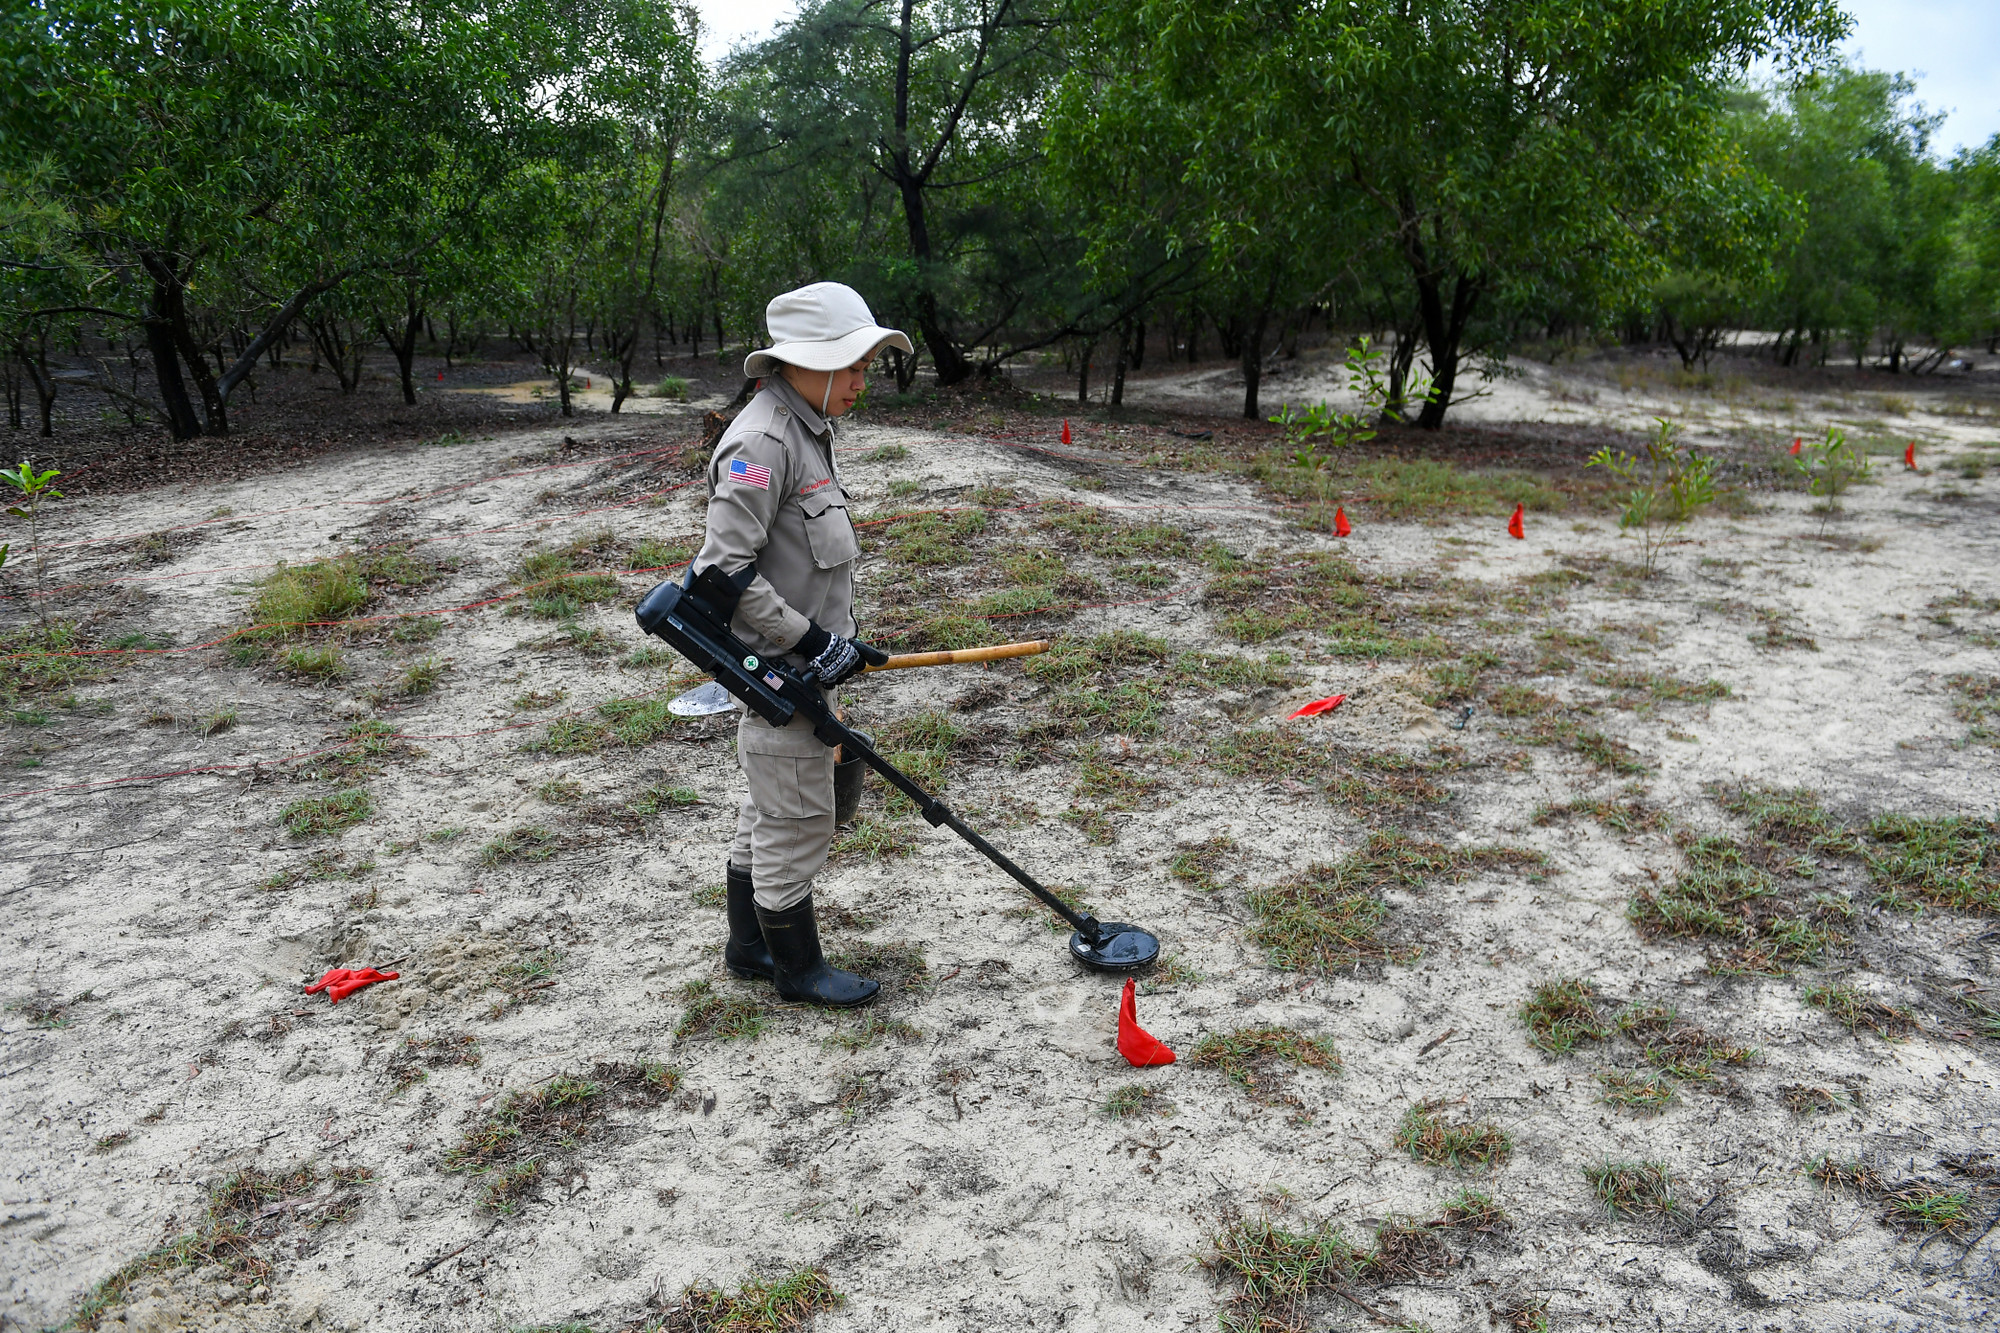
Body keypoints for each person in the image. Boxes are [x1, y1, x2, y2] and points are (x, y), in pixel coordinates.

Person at [689, 282, 911, 1008]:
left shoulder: (805, 427)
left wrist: (838, 643)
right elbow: (722, 569)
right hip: (780, 668)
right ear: (803, 363)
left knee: (770, 808)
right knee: (798, 818)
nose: (861, 379)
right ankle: (796, 967)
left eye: (866, 364)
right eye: (850, 365)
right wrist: (813, 640)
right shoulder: (762, 441)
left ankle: (748, 945)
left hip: (807, 662)